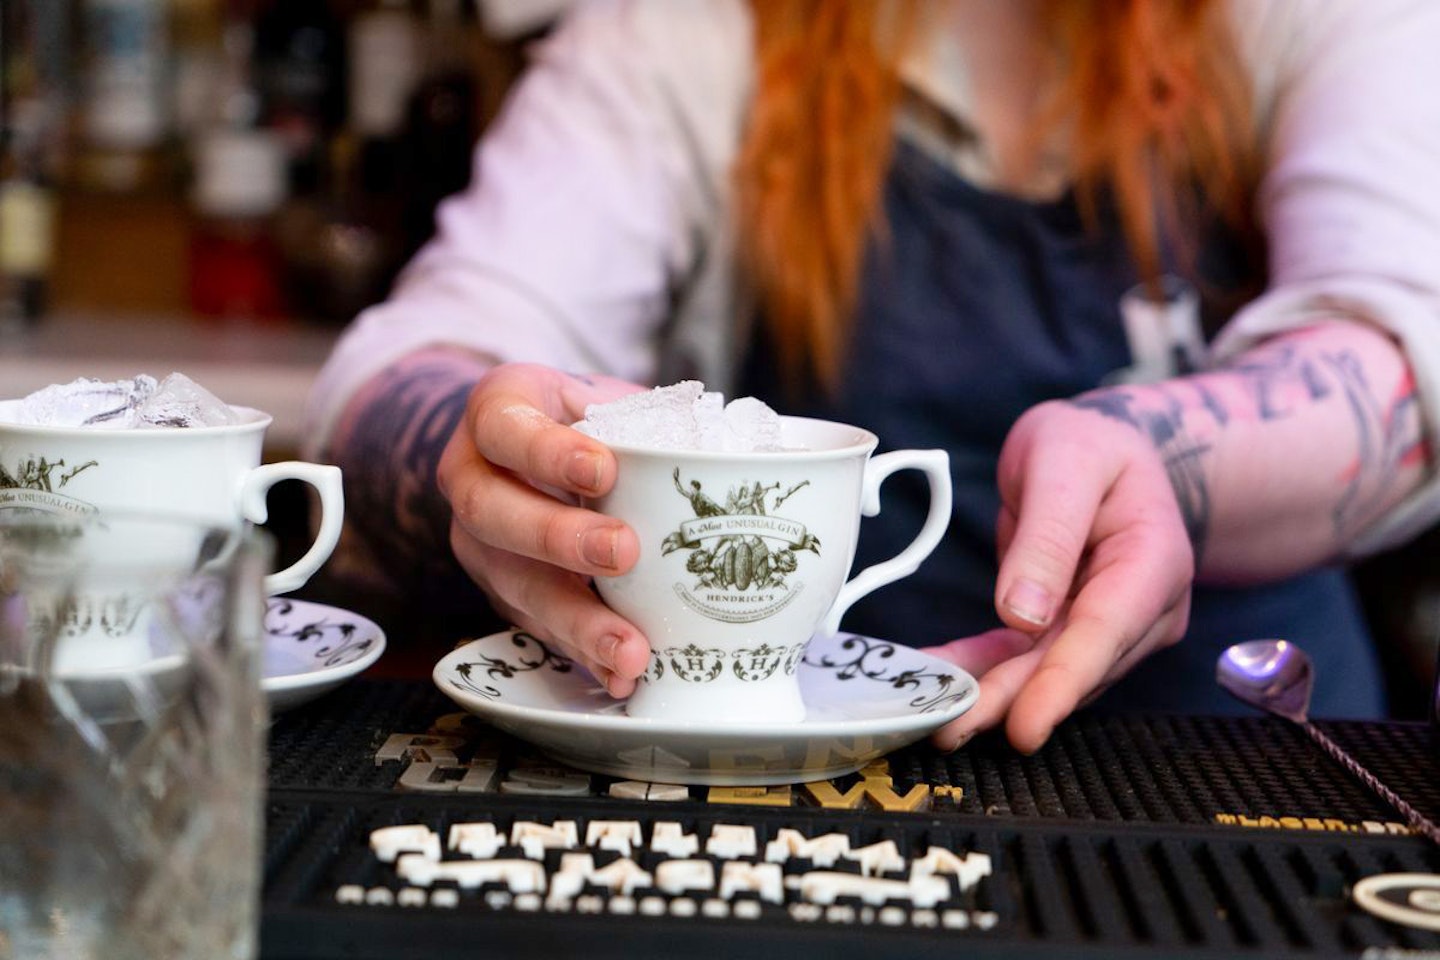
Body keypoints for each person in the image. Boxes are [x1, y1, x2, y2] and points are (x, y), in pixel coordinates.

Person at [304, 0, 1440, 753]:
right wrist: (476, 434)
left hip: (1248, 759)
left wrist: (1163, 461)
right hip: (819, 787)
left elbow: (1405, 340)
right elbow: (412, 358)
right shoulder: (691, 32)